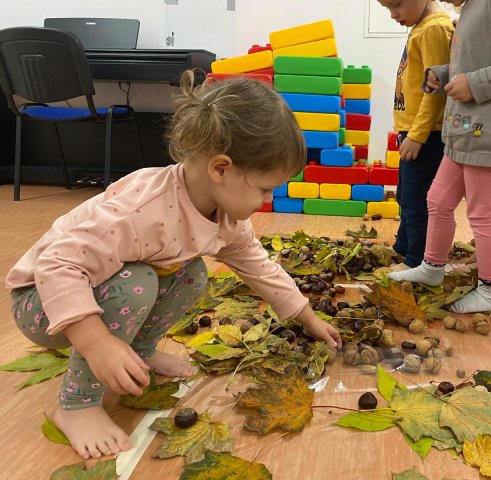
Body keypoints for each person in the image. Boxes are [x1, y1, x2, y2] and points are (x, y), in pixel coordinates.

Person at [5, 73, 341, 460]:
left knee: (191, 274)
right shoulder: (141, 211)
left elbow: (259, 268)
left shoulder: (226, 218)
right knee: (137, 283)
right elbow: (57, 265)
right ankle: (77, 404)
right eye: (265, 188)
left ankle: (139, 353)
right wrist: (97, 344)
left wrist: (306, 317)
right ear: (220, 169)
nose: (267, 200)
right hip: (42, 302)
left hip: (93, 290)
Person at [390, 0, 491, 314]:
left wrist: (477, 83)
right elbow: (473, 62)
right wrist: (442, 75)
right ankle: (432, 267)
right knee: (437, 200)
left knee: (483, 214)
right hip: (464, 131)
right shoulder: (467, 9)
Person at [378, 0, 454, 271]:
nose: (393, 14)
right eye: (387, 8)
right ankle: (403, 246)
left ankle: (417, 260)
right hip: (414, 131)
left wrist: (418, 134)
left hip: (428, 134)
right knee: (406, 195)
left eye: (397, 5)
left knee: (417, 200)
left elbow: (437, 88)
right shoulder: (423, 26)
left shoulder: (434, 29)